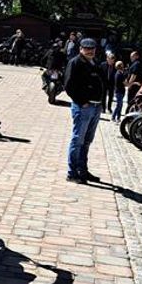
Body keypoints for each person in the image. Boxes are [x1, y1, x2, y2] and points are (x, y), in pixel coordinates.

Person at [63, 38, 106, 184]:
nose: (90, 51)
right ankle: (72, 172)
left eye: (92, 48)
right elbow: (68, 85)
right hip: (83, 107)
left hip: (96, 106)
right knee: (78, 140)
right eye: (87, 48)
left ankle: (83, 170)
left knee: (87, 141)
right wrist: (82, 102)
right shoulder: (75, 62)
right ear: (80, 48)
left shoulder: (95, 63)